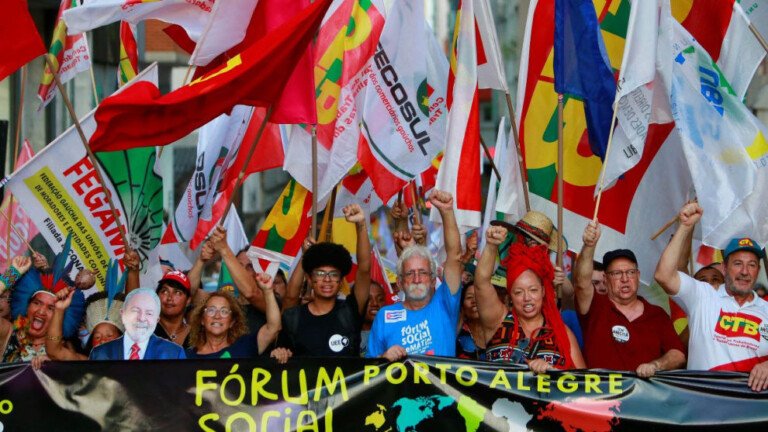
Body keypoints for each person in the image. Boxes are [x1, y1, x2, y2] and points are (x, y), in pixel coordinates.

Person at [654, 202, 768, 391]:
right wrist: (685, 227)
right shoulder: (703, 295)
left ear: (758, 270)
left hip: (751, 407)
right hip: (704, 403)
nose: (745, 271)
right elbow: (663, 275)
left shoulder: (766, 309)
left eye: (752, 265)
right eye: (738, 264)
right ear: (724, 268)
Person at [573, 220, 685, 377]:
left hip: (644, 392)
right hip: (602, 392)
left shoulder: (657, 314)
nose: (625, 279)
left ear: (638, 276)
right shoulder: (595, 306)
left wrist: (656, 365)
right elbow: (581, 283)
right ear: (605, 279)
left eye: (630, 272)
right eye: (617, 273)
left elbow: (678, 354)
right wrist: (589, 245)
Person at [366, 190, 462, 361]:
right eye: (410, 273)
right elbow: (368, 370)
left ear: (432, 279)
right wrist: (383, 358)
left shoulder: (445, 303)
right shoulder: (384, 316)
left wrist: (447, 211)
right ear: (400, 282)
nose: (417, 279)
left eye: (423, 272)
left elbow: (454, 256)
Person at [473, 226, 584, 372]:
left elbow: (584, 380)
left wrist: (552, 371)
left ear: (543, 291)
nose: (527, 298)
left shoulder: (561, 332)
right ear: (510, 296)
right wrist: (491, 245)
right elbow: (481, 283)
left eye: (533, 290)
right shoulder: (497, 321)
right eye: (518, 292)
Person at [271, 204, 371, 362]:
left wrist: (361, 224)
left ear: (340, 282)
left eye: (333, 274)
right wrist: (279, 354)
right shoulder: (293, 318)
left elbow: (364, 269)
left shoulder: (350, 311)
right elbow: (291, 295)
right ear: (310, 279)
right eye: (320, 273)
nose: (327, 279)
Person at [186, 274, 280, 359]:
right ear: (202, 319)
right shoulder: (188, 357)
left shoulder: (245, 346)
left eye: (224, 311)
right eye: (211, 310)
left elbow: (273, 327)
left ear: (232, 322)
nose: (217, 316)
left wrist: (268, 291)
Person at [46, 260, 125, 360]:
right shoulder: (86, 362)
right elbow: (54, 351)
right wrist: (59, 309)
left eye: (109, 335)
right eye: (97, 337)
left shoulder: (133, 360)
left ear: (122, 338)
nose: (102, 341)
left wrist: (133, 272)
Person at [90, 288, 186, 360]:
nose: (141, 318)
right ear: (123, 314)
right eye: (135, 311)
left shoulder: (174, 354)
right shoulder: (100, 353)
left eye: (149, 313)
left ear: (157, 320)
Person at [154, 270, 192, 347]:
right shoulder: (147, 329)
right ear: (157, 296)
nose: (169, 298)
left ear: (188, 301)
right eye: (165, 291)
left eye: (177, 292)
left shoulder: (197, 335)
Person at [360, 281, 385, 357]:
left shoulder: (392, 333)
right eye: (368, 299)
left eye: (380, 299)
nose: (375, 303)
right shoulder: (347, 335)